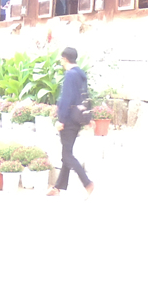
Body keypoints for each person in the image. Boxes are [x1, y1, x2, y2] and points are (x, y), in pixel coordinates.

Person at [48, 46, 94, 198]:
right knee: (66, 153)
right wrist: (89, 117)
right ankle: (57, 187)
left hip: (68, 120)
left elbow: (66, 99)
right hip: (77, 118)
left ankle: (87, 183)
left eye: (62, 59)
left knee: (67, 155)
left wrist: (60, 120)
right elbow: (85, 97)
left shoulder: (70, 75)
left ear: (65, 59)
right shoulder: (81, 74)